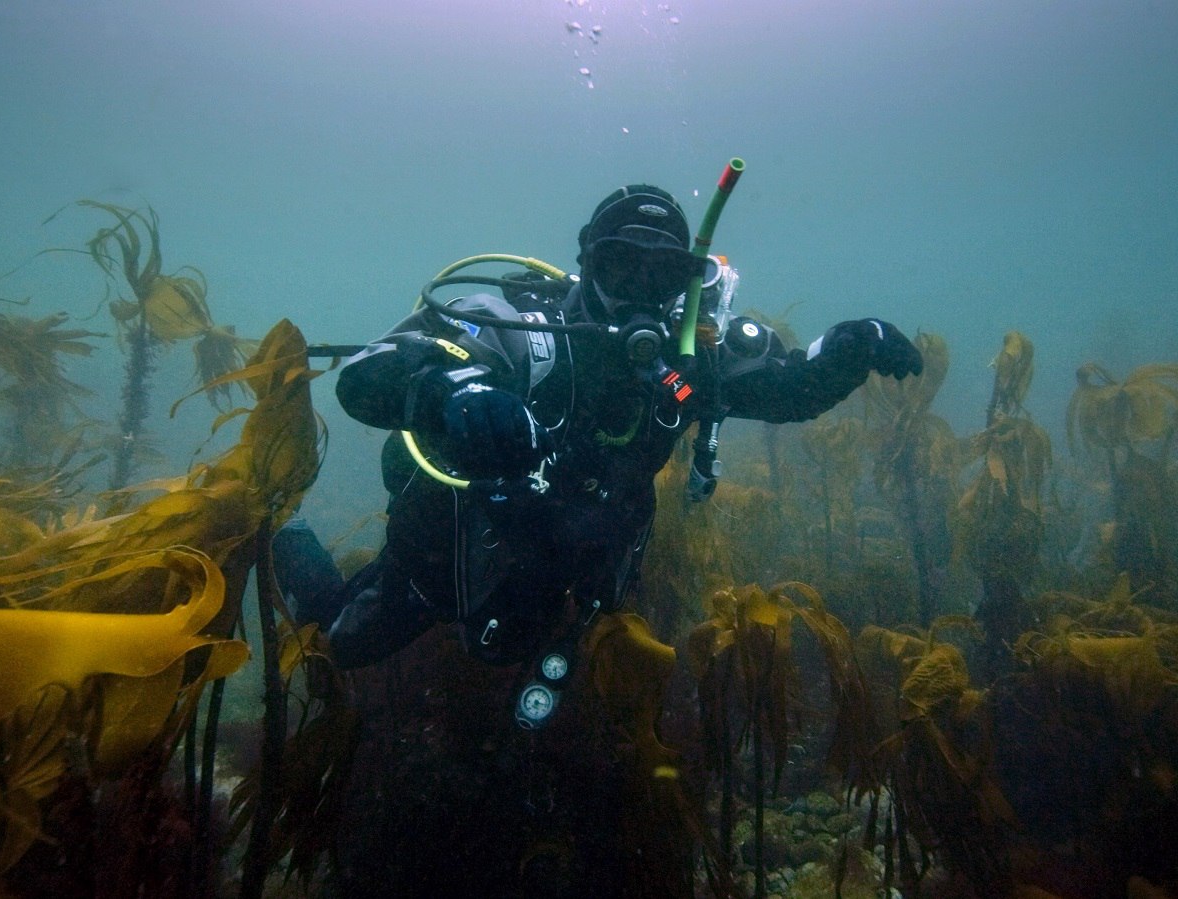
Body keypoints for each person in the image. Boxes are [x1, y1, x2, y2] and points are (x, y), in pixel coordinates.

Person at [274, 183, 922, 703]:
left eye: (662, 276)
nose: (640, 293)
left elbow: (789, 387)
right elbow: (370, 372)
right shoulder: (523, 332)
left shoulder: (687, 365)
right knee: (339, 640)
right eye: (621, 265)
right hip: (446, 567)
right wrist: (457, 393)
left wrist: (851, 345)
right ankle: (285, 531)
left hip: (571, 592)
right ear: (587, 260)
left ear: (686, 287)